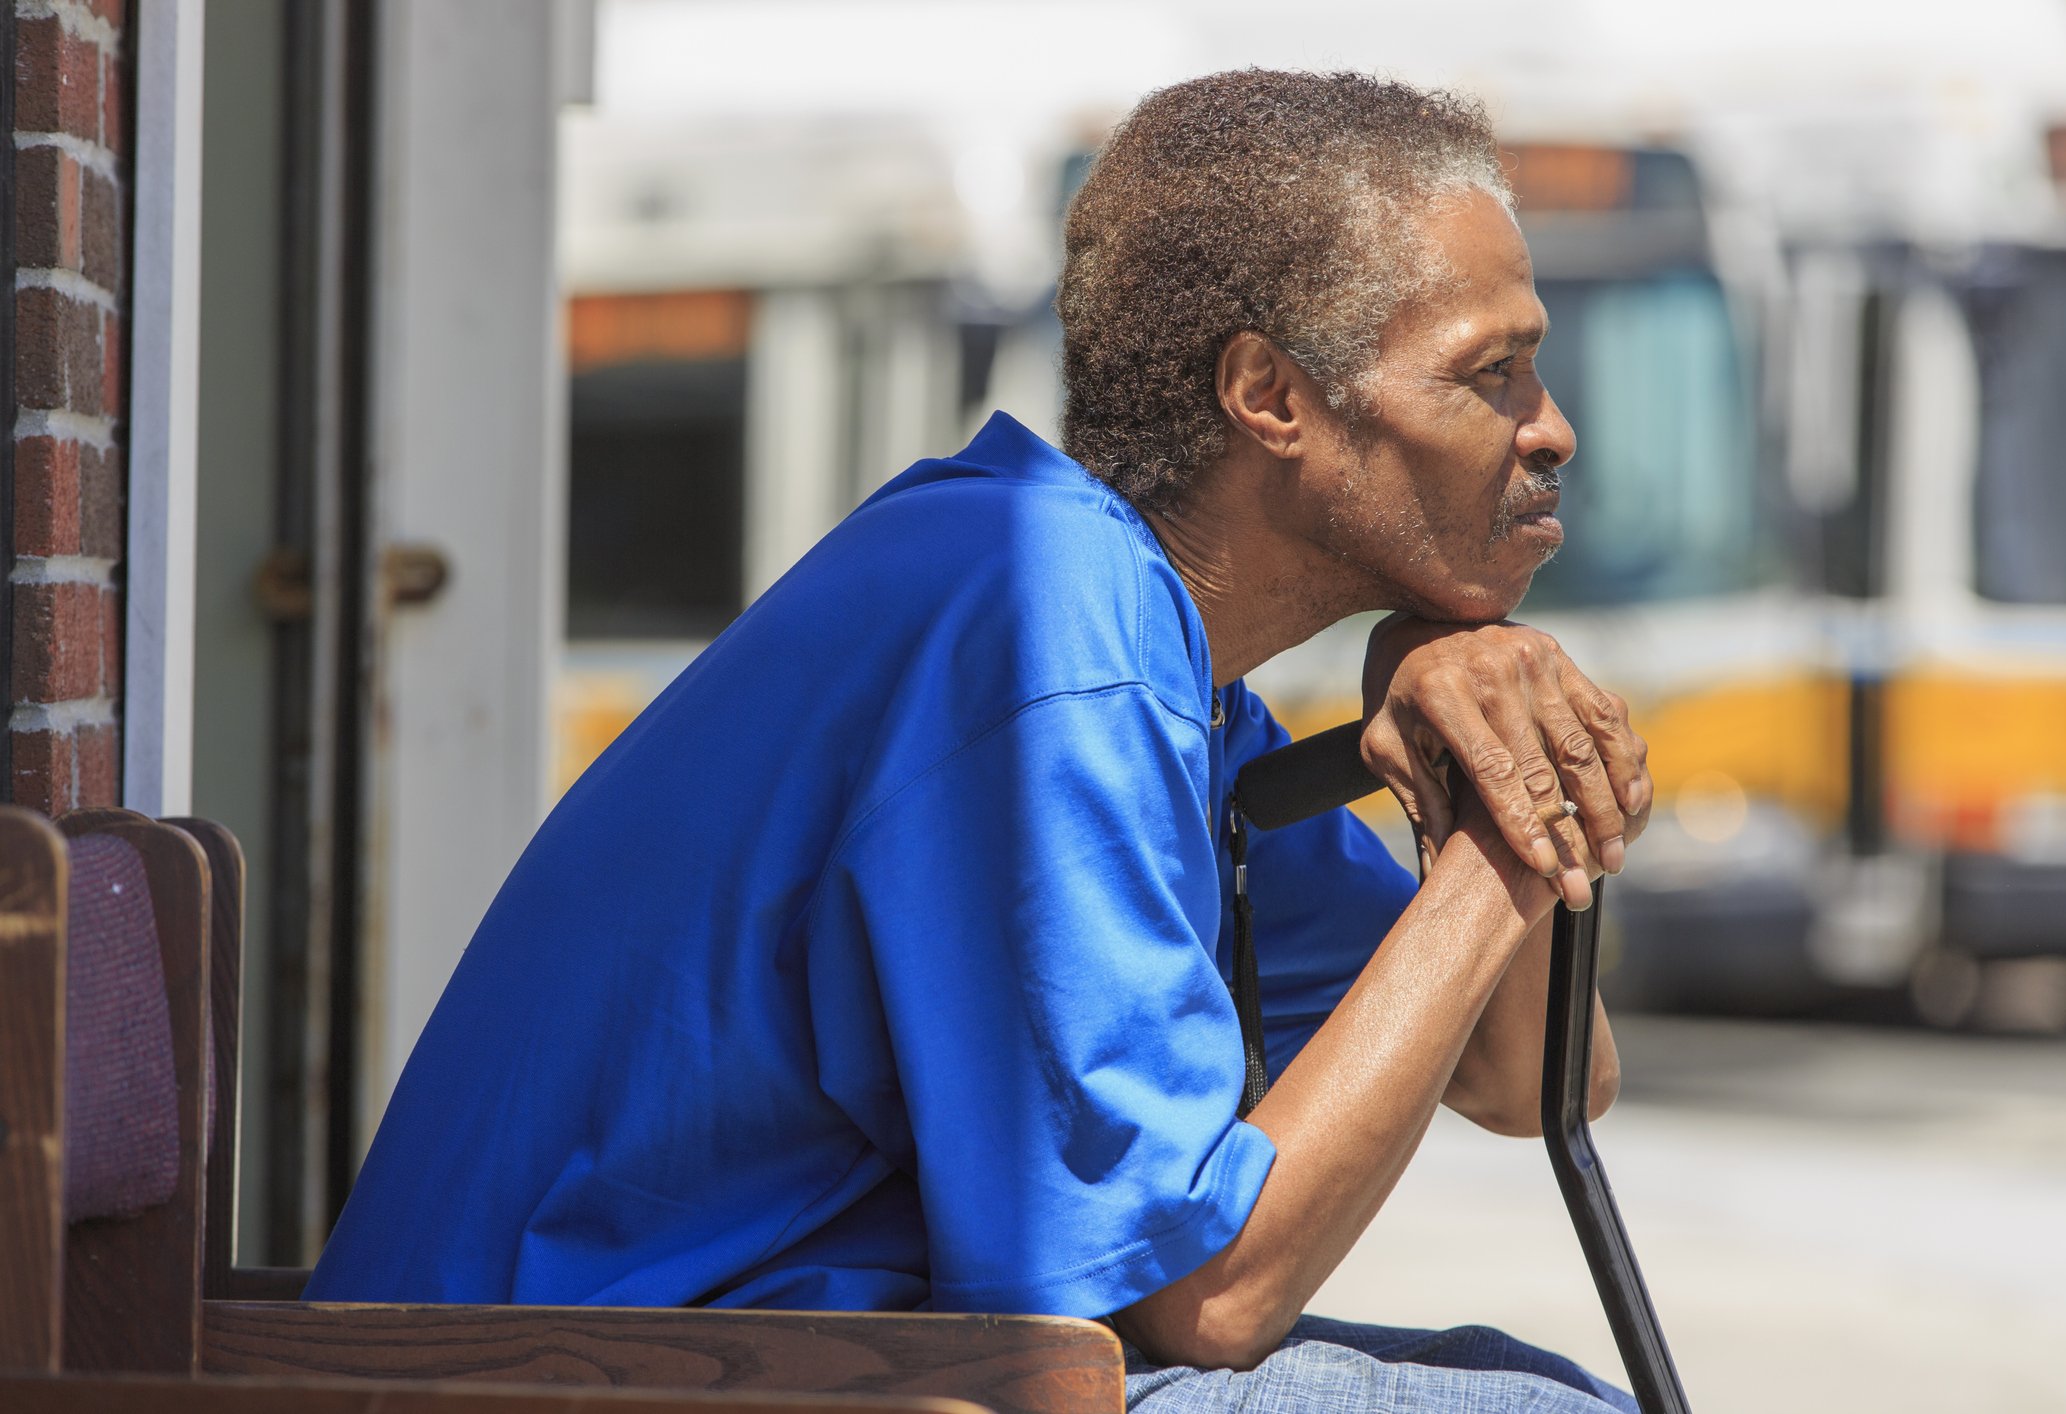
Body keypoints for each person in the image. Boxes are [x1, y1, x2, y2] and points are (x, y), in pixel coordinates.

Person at [308, 70, 1653, 1413]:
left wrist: (1464, 710)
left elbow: (1530, 1078)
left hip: (775, 1362)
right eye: (1491, 373)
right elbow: (1208, 1292)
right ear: (1269, 397)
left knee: (1517, 1383)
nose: (1551, 427)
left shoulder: (1147, 655)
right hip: (558, 1380)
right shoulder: (1042, 632)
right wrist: (1509, 825)